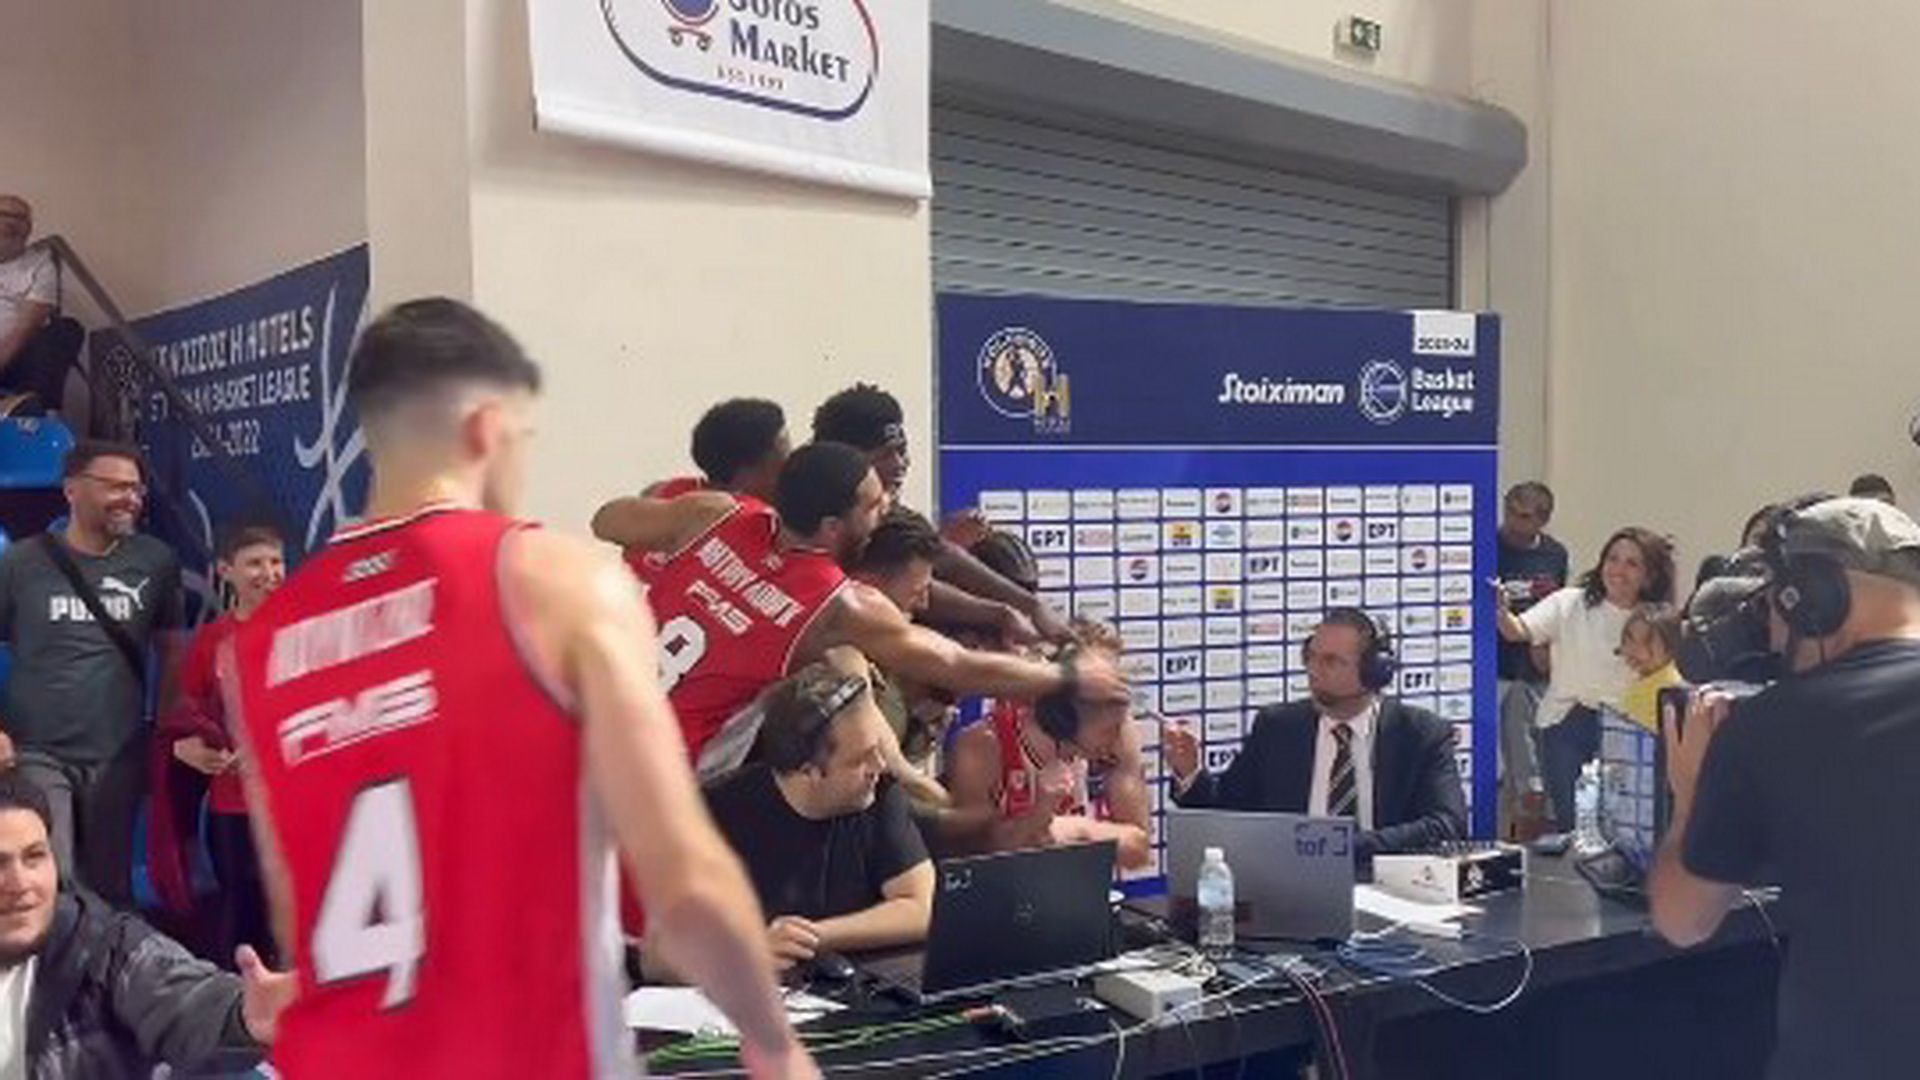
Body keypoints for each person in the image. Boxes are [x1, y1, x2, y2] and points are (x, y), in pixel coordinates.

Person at [222, 299, 812, 1078]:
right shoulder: (554, 580)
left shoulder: (261, 642)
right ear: (487, 429)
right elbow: (683, 872)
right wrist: (774, 1045)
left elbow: (303, 905)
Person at [591, 440, 1129, 779]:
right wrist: (1067, 676)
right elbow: (956, 665)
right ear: (832, 526)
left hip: (597, 729)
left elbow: (606, 520)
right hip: (668, 777)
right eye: (873, 506)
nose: (885, 508)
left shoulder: (715, 514)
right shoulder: (838, 606)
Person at [1651, 498, 1920, 1080]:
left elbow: (1683, 918)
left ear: (1812, 595)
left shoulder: (1771, 727)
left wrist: (1690, 797)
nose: (1772, 634)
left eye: (1773, 600)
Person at [0, 769, 290, 1079]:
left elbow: (187, 1001)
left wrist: (242, 1018)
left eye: (34, 857)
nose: (21, 883)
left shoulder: (103, 949)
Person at [0, 440, 185, 904]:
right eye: (115, 486)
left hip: (117, 754)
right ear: (72, 490)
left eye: (136, 489)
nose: (130, 499)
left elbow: (173, 653)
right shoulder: (19, 563)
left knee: (109, 889)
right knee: (55, 879)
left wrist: (164, 731)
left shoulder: (156, 561)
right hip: (36, 751)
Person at [1165, 609, 1467, 859]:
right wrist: (1190, 773)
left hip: (1387, 889)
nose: (1314, 670)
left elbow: (1447, 825)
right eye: (1311, 656)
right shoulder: (1277, 728)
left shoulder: (1420, 734)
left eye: (1331, 661)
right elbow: (1228, 813)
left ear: (1375, 671)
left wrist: (1341, 847)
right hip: (1292, 890)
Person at [701, 658, 934, 969]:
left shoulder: (879, 793)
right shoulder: (716, 813)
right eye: (860, 759)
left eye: (877, 750)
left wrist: (812, 937)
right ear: (808, 770)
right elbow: (669, 946)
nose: (879, 766)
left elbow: (922, 907)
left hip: (859, 982)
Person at [812, 383, 1068, 643]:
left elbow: (941, 556)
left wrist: (1028, 607)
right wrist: (1003, 614)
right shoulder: (818, 520)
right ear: (848, 462)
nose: (900, 464)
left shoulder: (882, 509)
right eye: (885, 455)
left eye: (902, 451)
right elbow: (909, 580)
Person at [150, 521, 286, 965]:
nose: (269, 573)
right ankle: (239, 998)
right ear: (226, 570)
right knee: (242, 911)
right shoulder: (212, 641)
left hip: (292, 802)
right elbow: (185, 715)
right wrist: (187, 748)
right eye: (255, 563)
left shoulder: (302, 630)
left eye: (276, 562)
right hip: (233, 806)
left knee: (293, 910)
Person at [1495, 525, 1675, 839]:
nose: (1618, 570)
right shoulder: (1569, 602)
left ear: (1650, 576)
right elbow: (1517, 630)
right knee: (1575, 825)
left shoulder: (1657, 619)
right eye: (1613, 559)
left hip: (1627, 730)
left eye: (1632, 564)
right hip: (1566, 723)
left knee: (1623, 829)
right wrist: (1499, 608)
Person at [944, 624, 1151, 870]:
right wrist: (1039, 816)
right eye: (1103, 695)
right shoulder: (982, 744)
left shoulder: (1118, 731)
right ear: (1064, 713)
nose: (1117, 730)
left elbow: (1139, 850)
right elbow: (969, 857)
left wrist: (1079, 830)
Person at [1494, 482, 1567, 835]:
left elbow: (1558, 613)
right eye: (1509, 510)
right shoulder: (1487, 545)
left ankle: (1527, 836)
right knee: (1500, 767)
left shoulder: (1555, 554)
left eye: (1523, 516)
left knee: (1531, 768)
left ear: (1543, 519)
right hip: (1494, 668)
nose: (1513, 521)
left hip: (1536, 672)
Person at [0, 196, 80, 411]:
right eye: (3, 215)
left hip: (12, 359)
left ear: (29, 228)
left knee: (65, 330)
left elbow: (28, 325)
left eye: (20, 218)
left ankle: (35, 413)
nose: (11, 222)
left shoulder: (40, 264)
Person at [646, 397, 790, 507]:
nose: (792, 467)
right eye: (784, 459)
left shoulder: (658, 496)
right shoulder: (760, 524)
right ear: (746, 474)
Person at [1617, 603, 1682, 733]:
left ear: (1670, 648)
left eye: (1647, 641)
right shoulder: (1644, 679)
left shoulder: (1669, 691)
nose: (1634, 650)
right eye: (1630, 639)